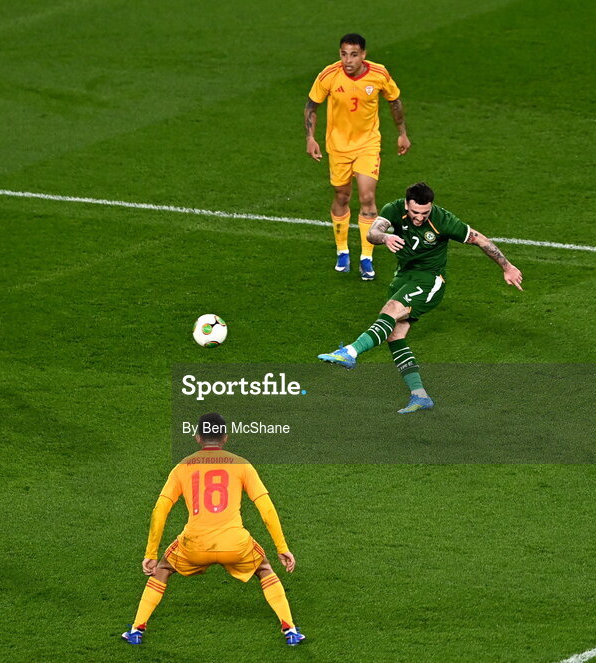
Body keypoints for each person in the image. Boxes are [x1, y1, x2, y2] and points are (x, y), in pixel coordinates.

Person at [318, 182, 523, 413]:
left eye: (425, 213)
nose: (419, 218)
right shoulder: (394, 209)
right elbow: (373, 232)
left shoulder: (443, 220)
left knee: (391, 309)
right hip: (403, 277)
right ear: (407, 204)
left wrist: (506, 266)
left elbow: (480, 239)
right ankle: (420, 396)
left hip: (429, 280)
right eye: (415, 212)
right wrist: (385, 238)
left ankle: (350, 353)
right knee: (395, 335)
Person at [121, 413, 305, 646]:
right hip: (235, 545)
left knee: (163, 568)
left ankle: (137, 630)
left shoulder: (183, 467)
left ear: (198, 437)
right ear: (225, 437)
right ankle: (290, 630)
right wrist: (282, 547)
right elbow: (266, 508)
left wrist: (150, 554)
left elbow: (160, 510)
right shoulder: (242, 464)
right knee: (265, 568)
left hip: (194, 545)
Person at [305, 33, 411, 281]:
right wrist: (310, 138)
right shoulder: (329, 75)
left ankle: (366, 256)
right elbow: (311, 106)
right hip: (339, 147)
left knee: (367, 197)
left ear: (363, 54)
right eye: (343, 54)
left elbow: (394, 102)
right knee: (341, 196)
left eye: (353, 54)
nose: (347, 60)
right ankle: (342, 250)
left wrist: (402, 133)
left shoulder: (379, 74)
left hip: (367, 145)